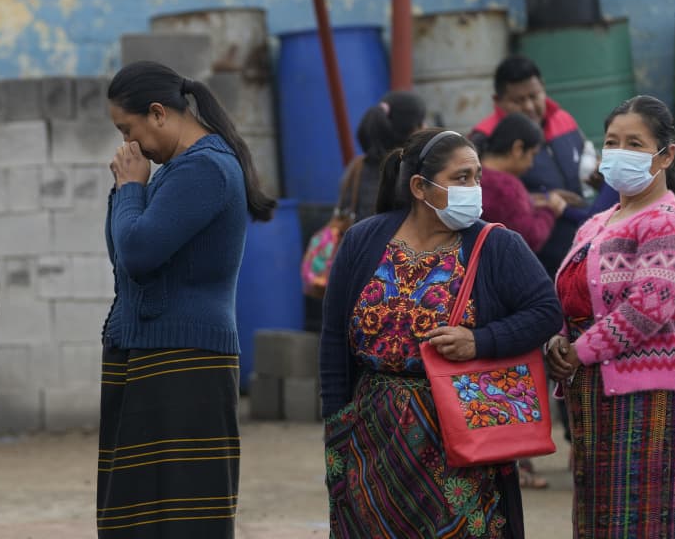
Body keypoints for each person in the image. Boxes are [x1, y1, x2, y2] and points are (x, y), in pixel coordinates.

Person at [319, 128, 562, 538]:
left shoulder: (498, 245)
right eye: (461, 178)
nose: (475, 188)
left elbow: (545, 312)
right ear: (419, 187)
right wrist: (336, 423)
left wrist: (480, 341)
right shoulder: (364, 241)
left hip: (460, 441)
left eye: (477, 176)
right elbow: (332, 338)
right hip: (372, 439)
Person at [98, 61, 275, 538]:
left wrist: (130, 187)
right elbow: (124, 250)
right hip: (154, 352)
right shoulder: (176, 171)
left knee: (180, 518)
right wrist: (129, 192)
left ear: (158, 113)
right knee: (137, 513)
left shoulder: (205, 170)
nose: (127, 144)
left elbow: (137, 251)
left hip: (185, 362)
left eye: (127, 129)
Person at [546, 95, 675, 538]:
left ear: (666, 154)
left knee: (643, 521)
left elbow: (646, 311)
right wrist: (559, 340)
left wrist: (576, 352)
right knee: (598, 520)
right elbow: (571, 298)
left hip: (647, 398)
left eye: (635, 144)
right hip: (593, 396)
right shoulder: (594, 225)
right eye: (612, 142)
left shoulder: (672, 223)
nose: (620, 152)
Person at [469, 56, 616, 277]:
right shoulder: (483, 139)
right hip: (533, 265)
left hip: (580, 251)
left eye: (534, 96)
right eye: (518, 100)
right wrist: (540, 200)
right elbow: (485, 199)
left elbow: (586, 160)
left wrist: (598, 179)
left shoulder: (564, 120)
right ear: (498, 101)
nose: (529, 106)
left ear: (543, 88)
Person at [479, 113, 566, 255]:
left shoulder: (474, 174)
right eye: (532, 154)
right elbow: (530, 238)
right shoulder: (507, 187)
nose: (531, 164)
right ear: (518, 148)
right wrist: (550, 210)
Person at [347, 90, 427, 220]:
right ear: (414, 129)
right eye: (422, 122)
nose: (426, 127)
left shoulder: (357, 166)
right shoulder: (415, 171)